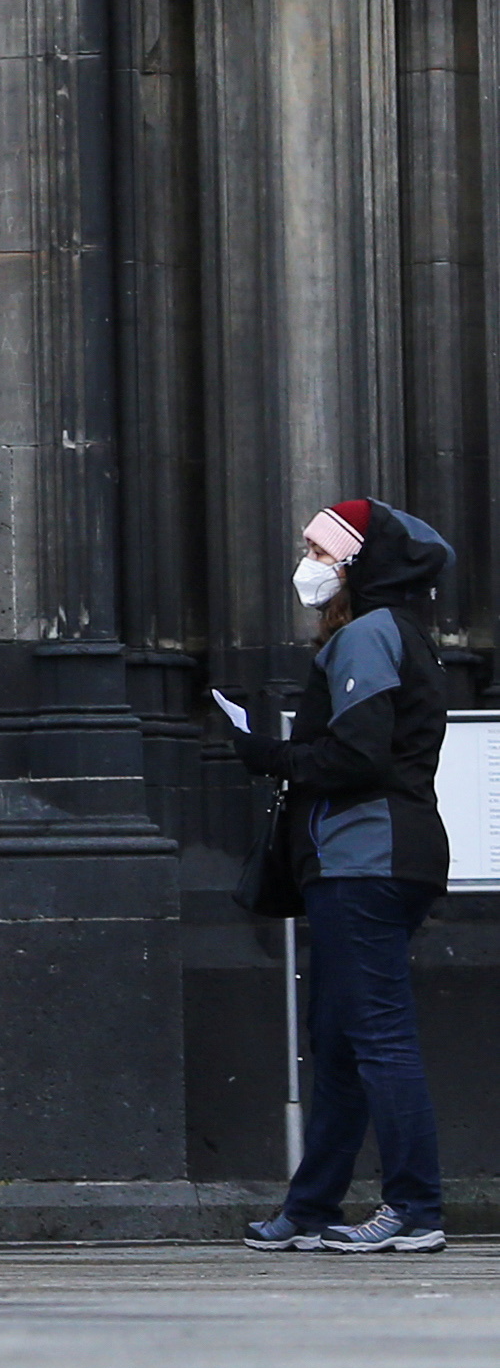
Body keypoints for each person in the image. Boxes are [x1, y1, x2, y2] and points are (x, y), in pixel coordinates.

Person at [227, 500, 455, 1254]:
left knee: (377, 1036)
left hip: (367, 857)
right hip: (373, 856)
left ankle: (415, 1208)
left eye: (320, 553)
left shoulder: (366, 636)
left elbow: (358, 757)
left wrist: (269, 754)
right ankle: (312, 1205)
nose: (309, 565)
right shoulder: (397, 634)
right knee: (341, 1037)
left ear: (355, 564)